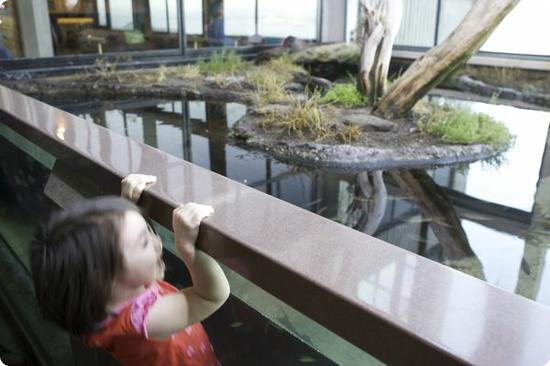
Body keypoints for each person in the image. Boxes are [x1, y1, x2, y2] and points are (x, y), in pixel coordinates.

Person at [31, 174, 230, 365]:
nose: (158, 242)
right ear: (105, 279)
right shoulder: (146, 321)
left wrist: (127, 206)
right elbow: (211, 297)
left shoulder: (101, 305)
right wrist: (187, 249)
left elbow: (117, 248)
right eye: (144, 241)